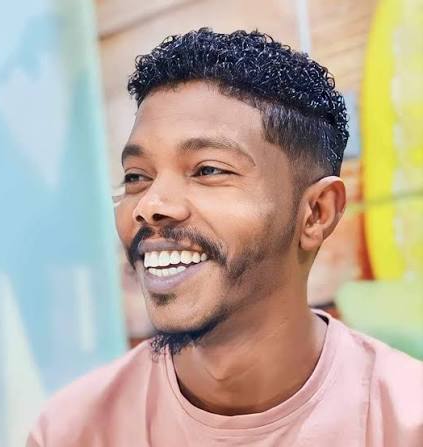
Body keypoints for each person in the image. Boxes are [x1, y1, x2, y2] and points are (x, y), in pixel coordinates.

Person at [27, 29, 423, 447]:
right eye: (136, 177)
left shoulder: (406, 422)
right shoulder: (71, 432)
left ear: (316, 213)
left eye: (208, 170)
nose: (149, 205)